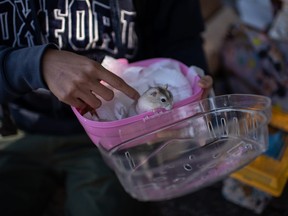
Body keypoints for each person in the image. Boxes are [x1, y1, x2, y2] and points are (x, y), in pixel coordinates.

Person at [0, 0, 212, 216]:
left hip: (116, 139)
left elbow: (180, 38)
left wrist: (190, 86)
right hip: (15, 128)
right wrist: (35, 65)